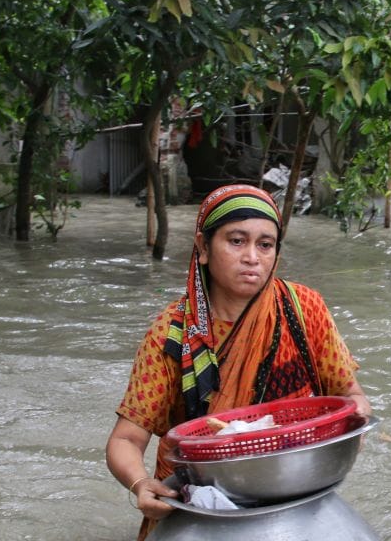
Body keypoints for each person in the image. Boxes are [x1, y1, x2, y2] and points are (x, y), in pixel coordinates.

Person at [106, 184, 371, 539]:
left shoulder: (304, 309)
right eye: (236, 241)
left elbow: (351, 397)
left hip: (294, 498)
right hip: (202, 506)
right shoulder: (172, 334)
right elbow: (125, 440)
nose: (252, 257)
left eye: (265, 245)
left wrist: (348, 431)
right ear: (202, 247)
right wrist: (140, 484)